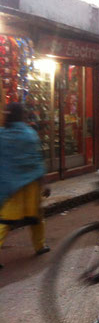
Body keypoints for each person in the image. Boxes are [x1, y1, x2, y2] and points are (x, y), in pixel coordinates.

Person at [0, 103, 51, 268]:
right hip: (30, 186)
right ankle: (40, 246)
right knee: (36, 218)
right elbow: (36, 160)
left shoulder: (2, 135)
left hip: (10, 187)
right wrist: (44, 183)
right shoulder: (30, 134)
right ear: (22, 115)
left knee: (4, 221)